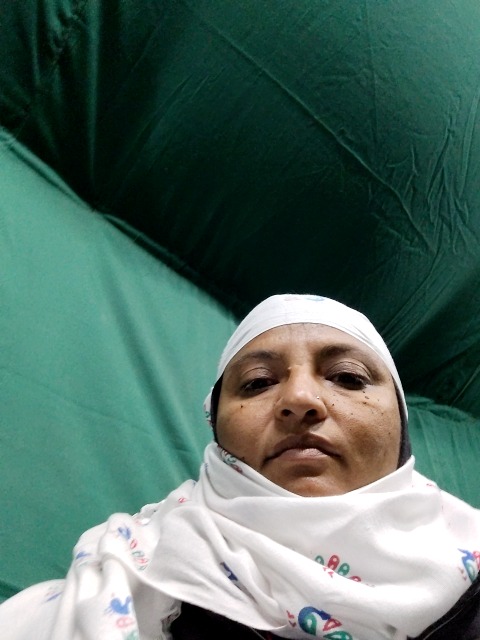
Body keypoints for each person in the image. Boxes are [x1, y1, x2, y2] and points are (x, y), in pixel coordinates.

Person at [1, 293, 479, 640]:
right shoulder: (127, 577)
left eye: (348, 377)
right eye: (256, 383)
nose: (299, 398)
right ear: (218, 431)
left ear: (402, 430)